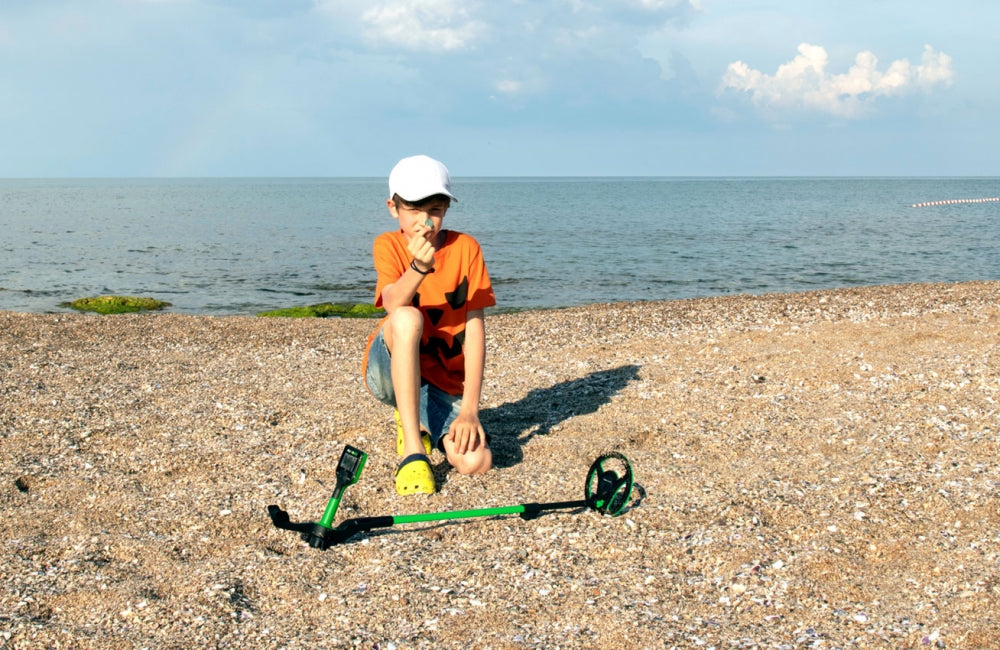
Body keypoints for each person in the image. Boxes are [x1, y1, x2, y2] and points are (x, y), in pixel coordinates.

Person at [362, 155, 495, 495]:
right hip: (389, 369)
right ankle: (413, 449)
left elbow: (474, 332)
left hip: (441, 382)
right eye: (414, 210)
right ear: (394, 208)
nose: (425, 220)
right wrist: (419, 267)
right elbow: (392, 303)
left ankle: (419, 418)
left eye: (435, 209)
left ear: (446, 208)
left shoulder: (466, 248)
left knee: (476, 462)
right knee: (408, 316)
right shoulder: (389, 245)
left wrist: (470, 410)